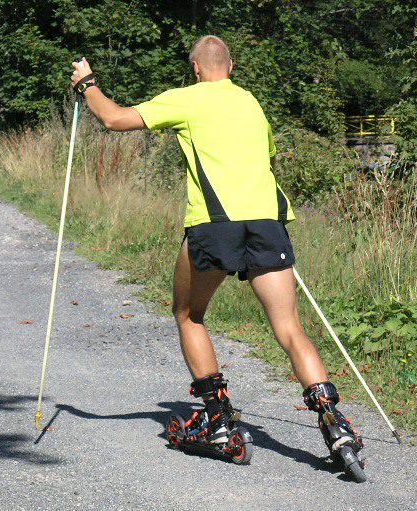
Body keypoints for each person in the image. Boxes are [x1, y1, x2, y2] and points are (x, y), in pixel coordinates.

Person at [69, 35, 362, 460]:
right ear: (232, 67)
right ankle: (336, 424)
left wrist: (87, 84)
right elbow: (265, 159)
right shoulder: (252, 104)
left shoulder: (187, 99)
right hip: (266, 222)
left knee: (189, 314)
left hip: (215, 224)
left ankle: (218, 420)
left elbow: (114, 120)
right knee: (288, 326)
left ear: (195, 69)